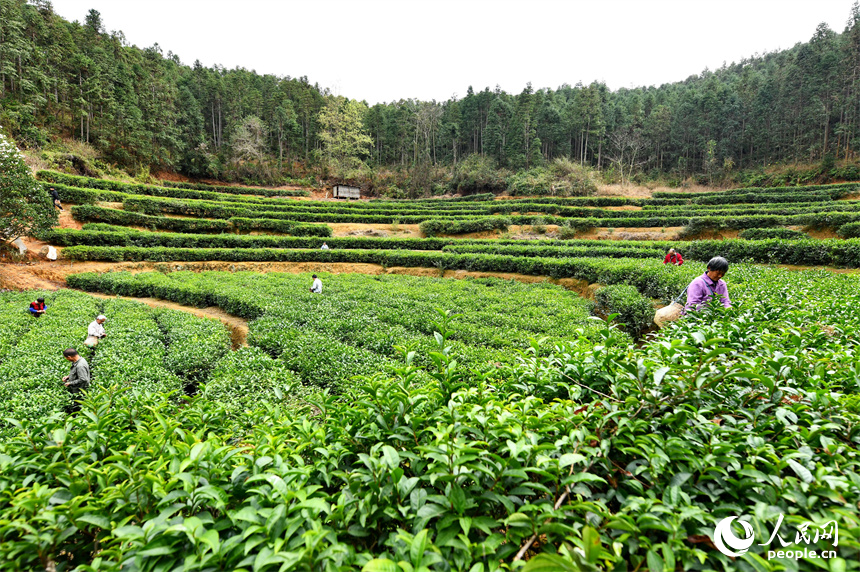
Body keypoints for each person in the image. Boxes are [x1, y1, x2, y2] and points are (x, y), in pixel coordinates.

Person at [62, 347, 90, 413]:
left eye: (66, 358)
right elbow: (78, 373)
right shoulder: (79, 360)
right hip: (78, 389)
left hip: (79, 390)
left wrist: (70, 383)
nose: (66, 359)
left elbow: (83, 379)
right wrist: (68, 377)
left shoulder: (80, 365)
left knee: (78, 406)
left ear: (69, 357)